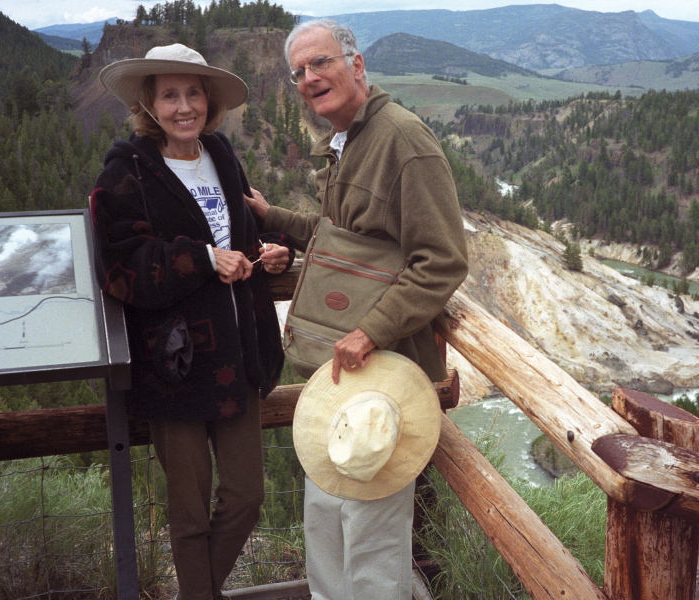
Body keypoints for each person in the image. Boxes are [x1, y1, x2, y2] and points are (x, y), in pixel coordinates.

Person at [244, 18, 468, 600]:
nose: (310, 78)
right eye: (299, 71)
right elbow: (343, 235)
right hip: (348, 373)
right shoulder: (350, 143)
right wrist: (277, 223)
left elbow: (442, 262)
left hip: (384, 373)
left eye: (321, 63)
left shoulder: (404, 141)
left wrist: (371, 330)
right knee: (325, 516)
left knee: (369, 533)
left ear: (357, 64)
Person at [90, 43, 290, 600]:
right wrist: (201, 258)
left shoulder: (221, 154)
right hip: (172, 364)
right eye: (170, 94)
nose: (184, 107)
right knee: (189, 513)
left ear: (210, 101)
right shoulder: (125, 170)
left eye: (194, 92)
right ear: (149, 104)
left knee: (246, 496)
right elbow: (122, 265)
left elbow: (237, 241)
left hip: (236, 357)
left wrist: (267, 253)